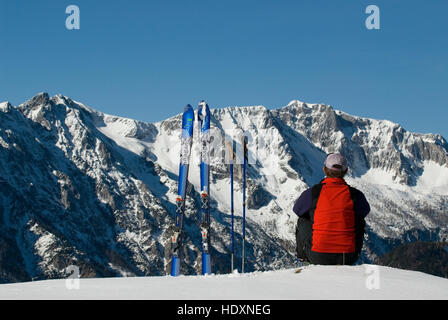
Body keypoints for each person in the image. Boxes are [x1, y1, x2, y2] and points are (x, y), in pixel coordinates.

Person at [293, 153, 370, 265]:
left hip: (318, 256)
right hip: (348, 257)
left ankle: (302, 258)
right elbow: (364, 211)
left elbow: (297, 210)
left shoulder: (313, 193)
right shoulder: (355, 195)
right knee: (358, 220)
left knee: (302, 220)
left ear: (324, 170)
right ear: (346, 171)